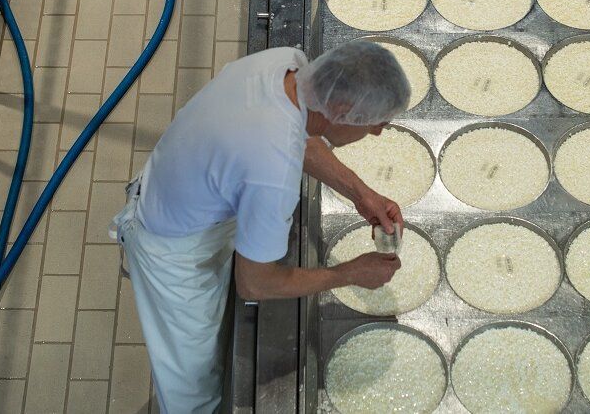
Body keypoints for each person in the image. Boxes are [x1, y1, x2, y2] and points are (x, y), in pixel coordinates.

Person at [111, 39, 411, 413]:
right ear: (340, 110)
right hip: (170, 249)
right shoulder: (272, 171)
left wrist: (360, 193)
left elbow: (299, 137)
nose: (378, 132)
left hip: (186, 189)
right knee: (191, 384)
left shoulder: (285, 65)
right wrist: (349, 274)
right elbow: (255, 283)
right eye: (374, 122)